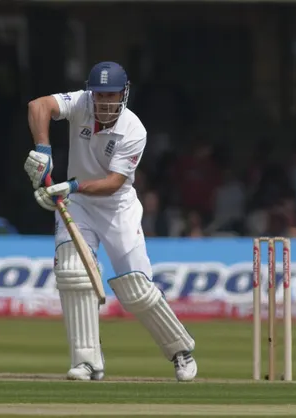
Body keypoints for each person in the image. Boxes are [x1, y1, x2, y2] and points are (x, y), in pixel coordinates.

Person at [23, 61, 197, 381]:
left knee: (136, 290)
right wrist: (43, 151)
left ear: (124, 94)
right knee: (73, 272)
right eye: (99, 96)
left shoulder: (134, 130)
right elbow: (39, 105)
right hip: (78, 205)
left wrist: (71, 185)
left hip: (117, 207)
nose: (104, 103)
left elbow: (114, 182)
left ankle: (180, 351)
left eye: (111, 96)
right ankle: (87, 361)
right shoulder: (81, 102)